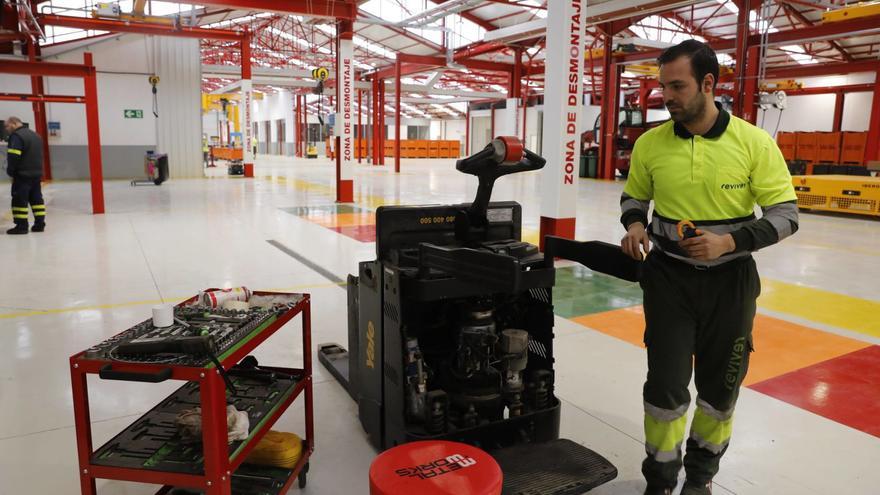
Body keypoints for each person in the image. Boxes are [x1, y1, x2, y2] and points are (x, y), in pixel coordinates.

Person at [619, 40, 798, 495]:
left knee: (720, 393)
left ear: (708, 84)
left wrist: (730, 242)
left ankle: (699, 480)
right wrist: (636, 223)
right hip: (669, 282)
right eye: (663, 87)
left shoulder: (754, 143)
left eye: (677, 86)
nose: (667, 96)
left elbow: (785, 215)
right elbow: (634, 196)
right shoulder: (650, 144)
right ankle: (659, 480)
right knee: (664, 389)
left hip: (731, 285)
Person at [5, 117, 46, 235]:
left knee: (19, 200)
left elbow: (13, 156)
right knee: (37, 199)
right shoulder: (36, 136)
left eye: (7, 126)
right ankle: (40, 224)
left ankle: (21, 226)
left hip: (22, 175)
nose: (7, 129)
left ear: (14, 123)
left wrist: (11, 171)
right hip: (36, 174)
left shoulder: (17, 136)